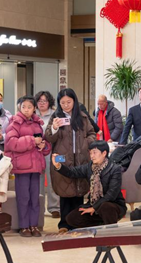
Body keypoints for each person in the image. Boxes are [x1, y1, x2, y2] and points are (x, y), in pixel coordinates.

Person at [44, 88, 97, 231]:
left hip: (81, 159)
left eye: (69, 102)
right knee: (65, 192)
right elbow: (48, 137)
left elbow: (92, 133)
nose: (66, 105)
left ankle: (77, 224)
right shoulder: (56, 117)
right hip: (63, 160)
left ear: (74, 101)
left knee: (78, 192)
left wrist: (86, 143)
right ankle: (64, 224)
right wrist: (54, 128)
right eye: (63, 103)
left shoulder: (82, 117)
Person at [51, 140, 126, 229]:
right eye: (90, 153)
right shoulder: (89, 167)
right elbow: (73, 172)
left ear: (104, 153)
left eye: (94, 153)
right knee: (71, 218)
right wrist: (58, 166)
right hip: (93, 204)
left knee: (105, 207)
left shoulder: (115, 169)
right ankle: (100, 225)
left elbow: (111, 194)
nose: (92, 156)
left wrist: (94, 208)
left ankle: (111, 233)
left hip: (114, 205)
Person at [6, 96, 50, 236]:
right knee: (23, 198)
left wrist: (43, 145)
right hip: (21, 167)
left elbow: (44, 143)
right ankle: (24, 226)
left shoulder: (38, 123)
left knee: (35, 198)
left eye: (29, 107)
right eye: (23, 107)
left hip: (36, 166)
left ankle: (34, 225)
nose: (26, 110)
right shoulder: (14, 123)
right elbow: (12, 143)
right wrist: (32, 140)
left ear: (34, 108)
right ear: (19, 107)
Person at [35, 91, 60, 219]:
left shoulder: (55, 114)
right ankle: (39, 208)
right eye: (39, 101)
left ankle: (54, 208)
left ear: (49, 102)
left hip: (52, 151)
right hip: (36, 151)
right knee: (37, 180)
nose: (42, 103)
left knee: (52, 178)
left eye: (44, 101)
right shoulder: (33, 115)